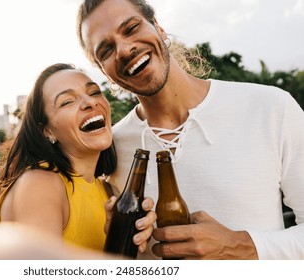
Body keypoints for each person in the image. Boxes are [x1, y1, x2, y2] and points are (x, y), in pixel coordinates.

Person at [77, 0, 304, 259]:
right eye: (106, 50)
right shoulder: (109, 148)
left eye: (131, 28)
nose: (125, 49)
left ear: (158, 27)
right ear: (103, 71)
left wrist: (243, 246)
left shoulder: (272, 107)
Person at [0, 63, 155, 254]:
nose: (90, 102)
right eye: (67, 101)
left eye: (94, 93)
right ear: (47, 130)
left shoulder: (108, 190)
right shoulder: (41, 183)